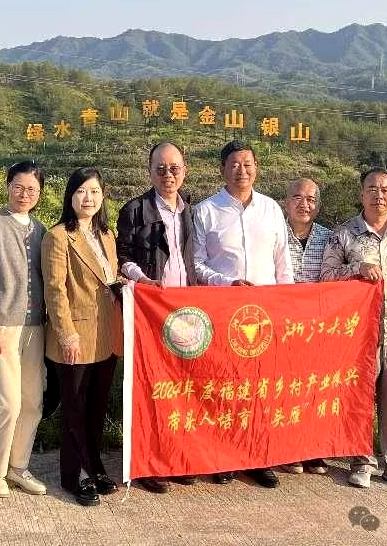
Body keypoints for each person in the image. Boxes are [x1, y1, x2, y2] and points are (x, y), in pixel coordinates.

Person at [320, 167, 387, 493]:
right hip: (358, 337)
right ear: (361, 194)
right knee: (360, 403)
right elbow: (326, 275)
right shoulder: (344, 234)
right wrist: (357, 268)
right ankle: (362, 463)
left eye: (384, 190)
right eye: (371, 189)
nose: (378, 195)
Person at [192, 140, 294, 489]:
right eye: (234, 164)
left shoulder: (271, 209)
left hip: (267, 316)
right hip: (224, 313)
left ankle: (259, 458)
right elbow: (197, 265)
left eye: (248, 164)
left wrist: (287, 306)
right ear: (222, 169)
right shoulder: (206, 210)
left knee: (261, 389)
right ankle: (224, 457)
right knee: (226, 386)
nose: (242, 170)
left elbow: (283, 263)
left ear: (256, 168)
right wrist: (228, 283)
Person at [116, 141, 198, 494]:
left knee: (183, 390)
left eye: (174, 168)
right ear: (149, 172)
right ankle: (149, 464)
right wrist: (144, 280)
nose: (168, 175)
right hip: (152, 315)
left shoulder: (192, 210)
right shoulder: (134, 210)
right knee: (150, 389)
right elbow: (122, 258)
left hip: (189, 314)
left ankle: (176, 458)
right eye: (160, 169)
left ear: (185, 170)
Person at [42, 167, 122, 507]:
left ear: (103, 196)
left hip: (107, 332)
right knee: (74, 407)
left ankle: (95, 465)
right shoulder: (58, 236)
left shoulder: (107, 234)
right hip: (75, 334)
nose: (87, 198)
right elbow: (54, 290)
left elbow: (110, 278)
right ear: (70, 196)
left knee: (96, 406)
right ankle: (72, 475)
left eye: (94, 191)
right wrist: (66, 334)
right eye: (80, 191)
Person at [0, 161, 48, 498]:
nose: (24, 194)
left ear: (39, 193)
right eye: (18, 186)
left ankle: (18, 467)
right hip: (2, 327)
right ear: (8, 187)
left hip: (35, 328)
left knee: (32, 402)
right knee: (7, 404)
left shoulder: (41, 230)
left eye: (32, 189)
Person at [282, 177, 333, 475]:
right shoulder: (273, 234)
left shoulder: (330, 238)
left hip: (317, 329)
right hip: (282, 326)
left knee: (315, 390)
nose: (305, 204)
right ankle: (288, 449)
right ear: (286, 202)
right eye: (298, 198)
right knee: (285, 390)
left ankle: (312, 450)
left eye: (311, 199)